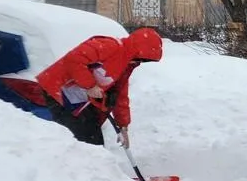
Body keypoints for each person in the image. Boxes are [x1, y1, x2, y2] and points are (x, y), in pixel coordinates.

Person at [33, 28, 165, 146]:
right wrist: (90, 85)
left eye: (144, 61)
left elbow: (120, 96)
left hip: (78, 98)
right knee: (84, 140)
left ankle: (94, 168)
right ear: (135, 51)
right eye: (141, 59)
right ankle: (80, 169)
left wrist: (123, 125)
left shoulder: (125, 66)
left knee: (92, 138)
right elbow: (74, 59)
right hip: (58, 90)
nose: (139, 62)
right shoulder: (111, 46)